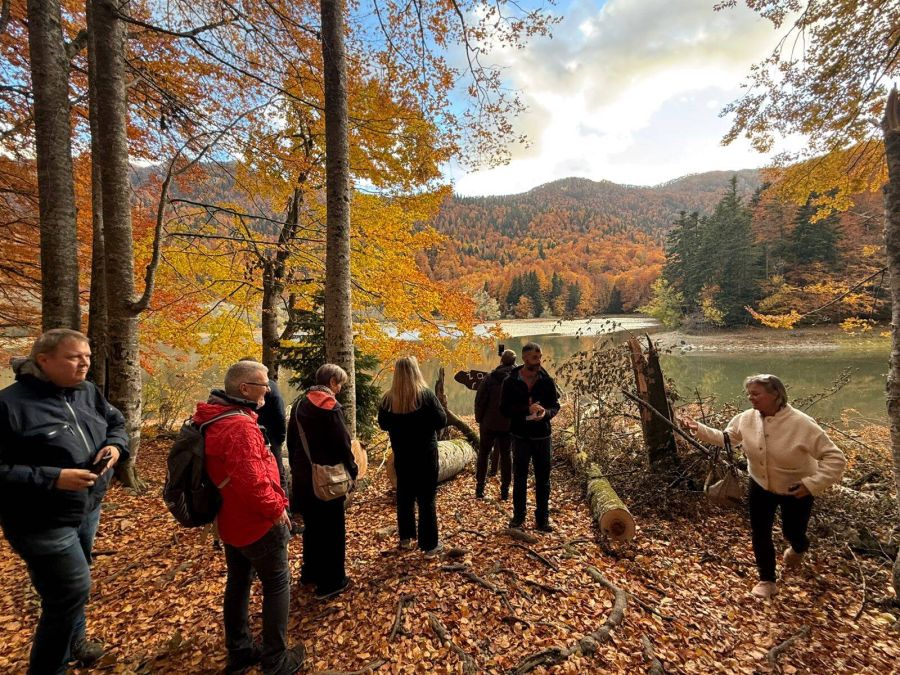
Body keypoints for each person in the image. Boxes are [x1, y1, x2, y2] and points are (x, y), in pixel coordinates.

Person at [0, 328, 129, 673]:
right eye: (75, 357)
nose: (85, 363)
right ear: (43, 360)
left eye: (87, 356)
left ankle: (76, 642)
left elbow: (116, 421)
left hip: (86, 507)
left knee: (68, 588)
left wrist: (116, 447)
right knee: (71, 590)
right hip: (39, 519)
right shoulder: (10, 405)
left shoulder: (86, 392)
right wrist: (54, 478)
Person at [680, 374, 846, 599]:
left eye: (756, 394)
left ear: (776, 394)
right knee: (760, 532)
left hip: (797, 489)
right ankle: (767, 580)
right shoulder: (746, 418)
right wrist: (697, 427)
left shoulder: (802, 423)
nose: (751, 398)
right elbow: (727, 439)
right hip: (759, 484)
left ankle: (799, 548)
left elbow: (835, 459)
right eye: (749, 394)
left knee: (793, 532)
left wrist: (811, 484)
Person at [194, 360, 304, 674]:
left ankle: (240, 650)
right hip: (256, 523)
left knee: (239, 583)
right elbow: (252, 482)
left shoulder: (215, 417)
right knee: (277, 584)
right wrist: (277, 510)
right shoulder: (239, 426)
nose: (269, 390)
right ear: (245, 389)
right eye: (263, 384)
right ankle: (276, 659)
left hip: (231, 521)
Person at [287, 364, 357, 600]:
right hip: (326, 479)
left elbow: (291, 441)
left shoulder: (299, 404)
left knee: (313, 528)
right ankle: (332, 582)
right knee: (333, 530)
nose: (339, 390)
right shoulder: (330, 406)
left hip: (303, 477)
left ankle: (311, 573)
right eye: (340, 384)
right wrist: (353, 470)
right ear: (332, 382)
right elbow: (343, 444)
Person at [378, 356, 447, 556]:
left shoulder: (388, 399)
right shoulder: (425, 396)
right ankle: (429, 545)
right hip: (426, 454)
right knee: (427, 498)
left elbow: (383, 424)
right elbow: (441, 420)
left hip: (402, 454)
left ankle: (406, 539)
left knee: (405, 496)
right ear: (416, 371)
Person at [500, 342, 560, 532]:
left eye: (540, 356)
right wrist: (527, 409)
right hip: (520, 436)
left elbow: (555, 405)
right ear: (525, 358)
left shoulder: (546, 380)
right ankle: (518, 517)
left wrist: (546, 413)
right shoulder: (510, 381)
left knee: (543, 480)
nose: (539, 360)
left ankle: (542, 520)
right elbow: (504, 409)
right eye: (535, 357)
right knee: (520, 478)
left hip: (542, 437)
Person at [239, 357, 288, 494]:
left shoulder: (269, 388)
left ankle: (285, 510)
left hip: (270, 436)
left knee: (277, 474)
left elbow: (280, 415)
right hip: (251, 435)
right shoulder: (240, 388)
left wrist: (278, 440)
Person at [474, 349, 516, 500]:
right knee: (506, 455)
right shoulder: (517, 378)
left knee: (484, 454)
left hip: (488, 424)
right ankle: (505, 491)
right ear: (514, 362)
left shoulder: (490, 378)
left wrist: (479, 419)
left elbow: (480, 400)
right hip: (508, 425)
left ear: (501, 361)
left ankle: (480, 488)